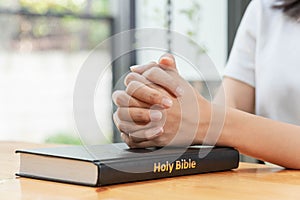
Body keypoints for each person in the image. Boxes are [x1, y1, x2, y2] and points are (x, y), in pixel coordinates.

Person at [112, 0, 300, 169]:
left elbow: (213, 120)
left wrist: (204, 122)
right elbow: (229, 105)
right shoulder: (265, 9)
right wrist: (164, 108)